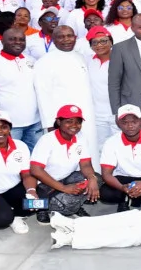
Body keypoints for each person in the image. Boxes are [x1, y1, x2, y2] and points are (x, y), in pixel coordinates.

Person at [33, 26, 98, 170]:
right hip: (62, 120)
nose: (66, 40)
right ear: (53, 39)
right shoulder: (44, 62)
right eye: (61, 37)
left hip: (86, 115)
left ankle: (92, 180)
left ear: (75, 37)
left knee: (89, 148)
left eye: (69, 36)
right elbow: (43, 95)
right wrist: (50, 124)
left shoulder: (80, 57)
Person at [30, 105, 99, 224]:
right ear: (59, 121)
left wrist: (92, 178)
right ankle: (42, 209)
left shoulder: (80, 137)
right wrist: (64, 188)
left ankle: (74, 205)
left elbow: (86, 164)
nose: (74, 125)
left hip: (66, 178)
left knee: (97, 179)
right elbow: (36, 170)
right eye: (69, 121)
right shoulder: (47, 140)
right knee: (31, 204)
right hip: (44, 185)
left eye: (78, 122)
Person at [0, 27, 41, 152]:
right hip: (10, 125)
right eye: (12, 39)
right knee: (11, 160)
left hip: (35, 122)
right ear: (2, 41)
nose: (17, 42)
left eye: (21, 40)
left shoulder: (32, 61)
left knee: (34, 160)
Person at [85, 27, 118, 154]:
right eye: (95, 42)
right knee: (100, 147)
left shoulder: (120, 60)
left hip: (117, 112)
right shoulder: (87, 61)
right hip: (97, 113)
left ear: (111, 42)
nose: (99, 45)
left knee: (118, 145)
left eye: (103, 41)